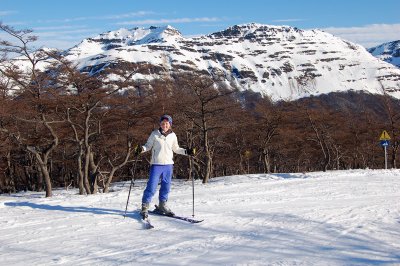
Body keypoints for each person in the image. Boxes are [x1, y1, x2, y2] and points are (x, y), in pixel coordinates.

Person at [135, 114, 195, 219]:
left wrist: (187, 151)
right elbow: (148, 146)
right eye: (163, 123)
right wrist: (141, 149)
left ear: (170, 125)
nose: (165, 125)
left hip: (168, 165)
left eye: (167, 123)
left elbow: (176, 149)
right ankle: (145, 206)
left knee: (166, 187)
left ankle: (162, 205)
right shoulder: (154, 134)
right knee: (152, 186)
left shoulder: (173, 135)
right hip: (156, 165)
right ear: (160, 124)